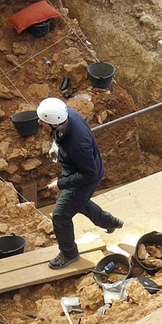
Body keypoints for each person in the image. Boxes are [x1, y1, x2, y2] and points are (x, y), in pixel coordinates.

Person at [38, 97, 123, 269]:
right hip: (76, 169)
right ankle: (109, 221)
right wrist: (57, 147)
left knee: (60, 215)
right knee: (77, 202)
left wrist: (61, 184)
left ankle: (69, 253)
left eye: (43, 121)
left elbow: (89, 174)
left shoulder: (78, 144)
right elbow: (60, 136)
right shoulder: (66, 114)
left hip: (85, 178)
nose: (40, 122)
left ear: (54, 123)